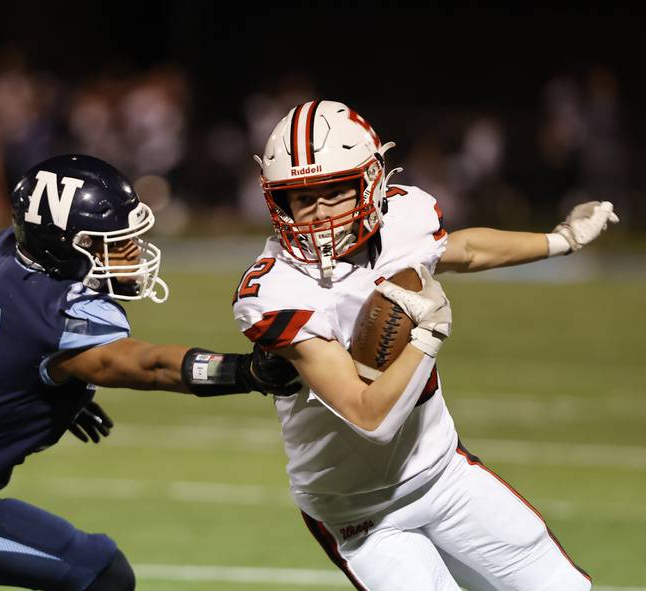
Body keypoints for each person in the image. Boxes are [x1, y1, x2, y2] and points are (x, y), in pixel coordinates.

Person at [0, 154, 299, 591]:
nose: (132, 251)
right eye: (114, 242)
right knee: (103, 575)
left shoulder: (9, 252)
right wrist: (245, 372)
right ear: (65, 248)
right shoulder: (59, 314)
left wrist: (34, 385)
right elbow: (151, 366)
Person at [233, 100, 618, 591]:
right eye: (301, 198)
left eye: (334, 192)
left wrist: (560, 239)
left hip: (443, 474)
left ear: (371, 183)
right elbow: (367, 415)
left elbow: (462, 249)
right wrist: (428, 334)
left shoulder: (403, 219)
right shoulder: (274, 290)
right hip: (359, 512)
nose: (319, 214)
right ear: (276, 200)